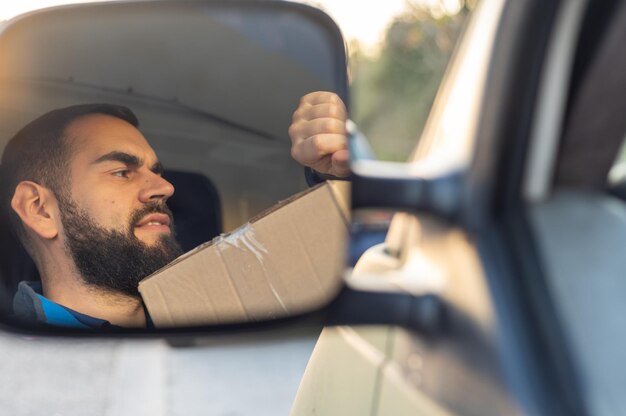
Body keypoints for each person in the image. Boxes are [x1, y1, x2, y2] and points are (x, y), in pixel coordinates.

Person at [0, 91, 349, 329]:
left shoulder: (230, 313)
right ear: (39, 210)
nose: (165, 188)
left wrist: (336, 175)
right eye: (122, 172)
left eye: (157, 172)